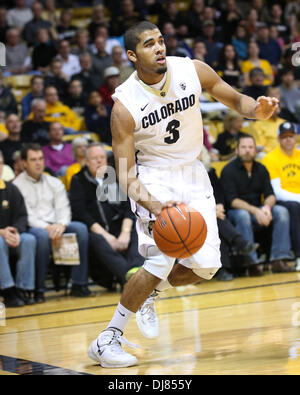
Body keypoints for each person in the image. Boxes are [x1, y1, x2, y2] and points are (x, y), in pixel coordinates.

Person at [87, 21, 280, 368]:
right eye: (149, 44)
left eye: (161, 41)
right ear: (132, 55)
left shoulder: (191, 70)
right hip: (153, 178)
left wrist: (256, 110)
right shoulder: (124, 106)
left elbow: (235, 97)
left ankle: (150, 293)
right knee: (161, 258)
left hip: (193, 173)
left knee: (207, 267)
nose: (159, 48)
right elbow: (126, 174)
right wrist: (157, 206)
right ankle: (108, 339)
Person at [13, 143, 91, 303]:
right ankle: (39, 290)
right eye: (33, 159)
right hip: (33, 227)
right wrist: (48, 227)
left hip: (57, 224)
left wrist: (61, 225)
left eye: (40, 159)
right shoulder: (17, 186)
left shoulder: (54, 182)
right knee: (41, 236)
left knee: (80, 229)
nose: (38, 163)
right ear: (24, 163)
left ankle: (78, 283)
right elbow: (26, 215)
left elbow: (64, 208)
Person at [69, 143, 144, 290]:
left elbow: (129, 206)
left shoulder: (114, 176)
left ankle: (137, 270)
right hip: (98, 233)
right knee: (95, 238)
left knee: (138, 224)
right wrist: (107, 236)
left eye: (102, 157)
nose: (99, 161)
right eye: (94, 158)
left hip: (120, 229)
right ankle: (129, 277)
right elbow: (81, 213)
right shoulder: (78, 180)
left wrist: (125, 233)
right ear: (86, 161)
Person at [220, 134, 295, 276]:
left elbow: (270, 194)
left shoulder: (261, 169)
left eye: (250, 147)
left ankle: (278, 259)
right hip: (235, 212)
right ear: (236, 150)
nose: (247, 150)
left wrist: (266, 209)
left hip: (258, 211)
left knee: (281, 211)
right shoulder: (228, 170)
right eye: (243, 147)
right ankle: (251, 263)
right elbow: (232, 201)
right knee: (243, 216)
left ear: (255, 151)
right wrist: (256, 211)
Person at [0, 149, 36, 307]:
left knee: (29, 239)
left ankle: (24, 288)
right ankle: (7, 290)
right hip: (1, 238)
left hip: (12, 235)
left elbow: (22, 215)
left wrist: (16, 231)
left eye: (0, 163)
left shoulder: (11, 189)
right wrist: (1, 232)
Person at [262, 122, 300, 271]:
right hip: (282, 200)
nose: (288, 140)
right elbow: (277, 192)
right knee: (294, 207)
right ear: (278, 139)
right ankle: (298, 256)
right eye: (284, 137)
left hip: (296, 197)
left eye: (291, 136)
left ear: (296, 137)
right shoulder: (270, 158)